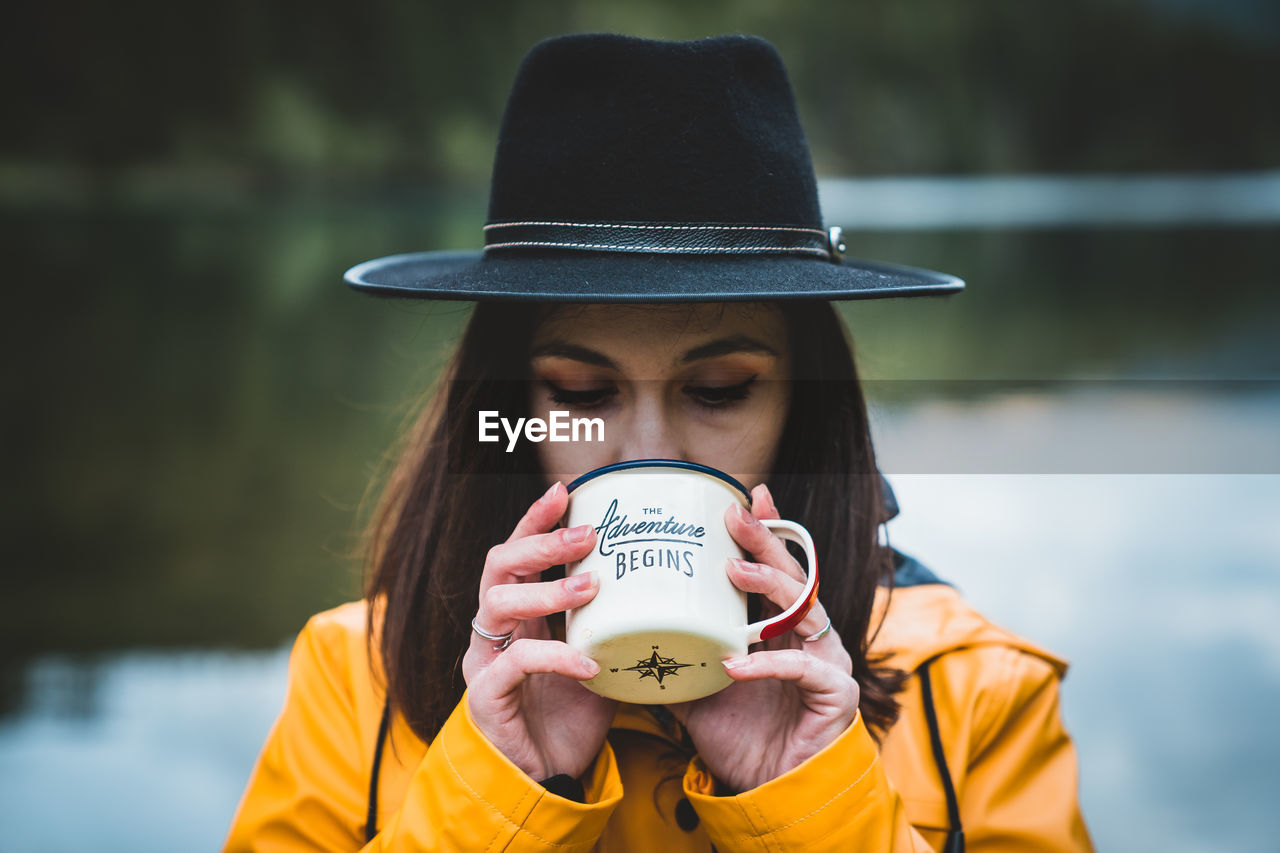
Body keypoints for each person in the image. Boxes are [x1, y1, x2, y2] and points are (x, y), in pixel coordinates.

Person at [223, 33, 1093, 852]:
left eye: (719, 392)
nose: (651, 449)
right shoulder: (353, 679)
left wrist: (810, 798)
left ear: (805, 403)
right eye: (580, 393)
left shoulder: (974, 691)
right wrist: (500, 789)